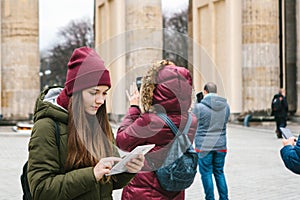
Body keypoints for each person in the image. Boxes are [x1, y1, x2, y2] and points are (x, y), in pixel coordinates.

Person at [27, 47, 144, 199]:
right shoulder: (47, 126)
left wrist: (127, 169)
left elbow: (109, 182)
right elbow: (41, 190)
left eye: (104, 93)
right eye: (94, 92)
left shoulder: (97, 121)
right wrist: (92, 174)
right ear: (75, 91)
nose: (101, 101)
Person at [116, 60, 197, 200]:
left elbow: (122, 141)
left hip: (145, 192)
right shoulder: (191, 120)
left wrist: (134, 108)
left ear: (156, 88)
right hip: (174, 189)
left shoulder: (151, 121)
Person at [193, 82, 230, 200]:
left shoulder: (199, 107)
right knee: (219, 172)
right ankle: (224, 198)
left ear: (205, 92)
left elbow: (192, 123)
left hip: (204, 147)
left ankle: (210, 198)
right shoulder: (226, 106)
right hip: (221, 145)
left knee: (206, 173)